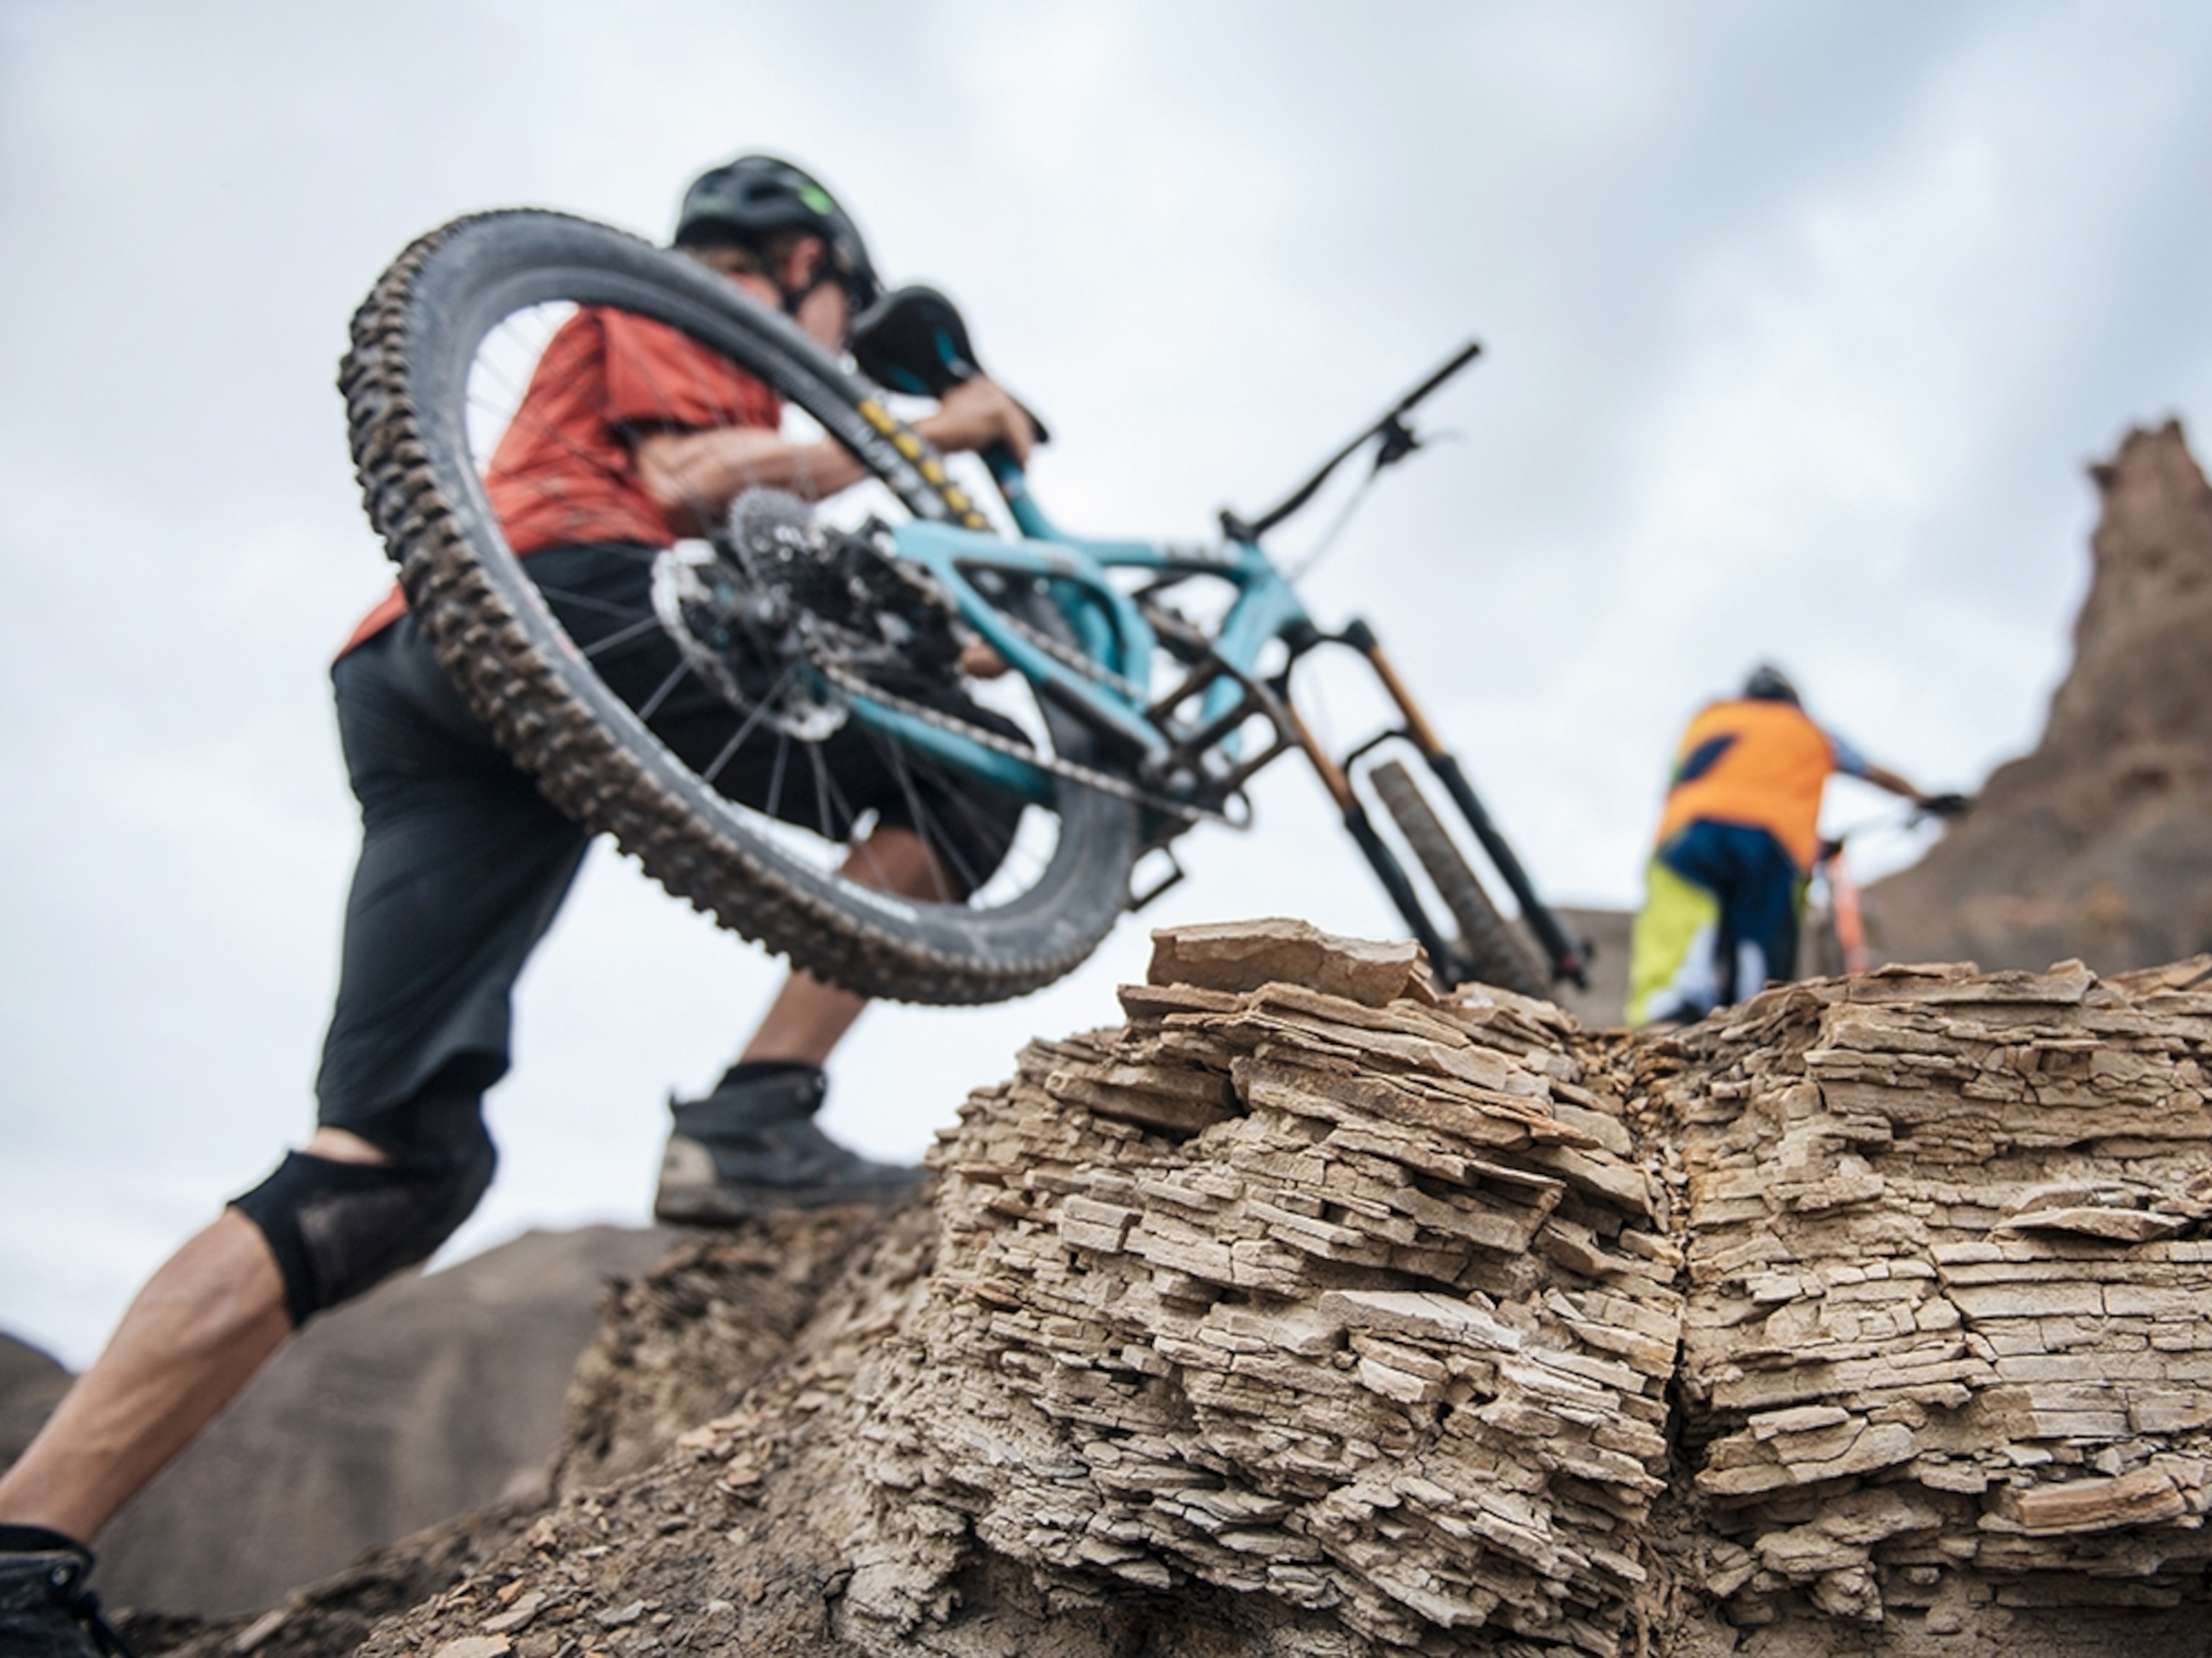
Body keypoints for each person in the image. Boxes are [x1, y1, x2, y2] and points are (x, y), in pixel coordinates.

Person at [0, 154, 1038, 1656]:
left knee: (385, 1167)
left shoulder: (660, 360)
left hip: (422, 671)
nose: (825, 334)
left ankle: (23, 1544)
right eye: (839, 303)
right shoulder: (709, 311)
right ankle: (754, 1108)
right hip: (571, 593)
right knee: (966, 785)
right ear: (802, 262)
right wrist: (924, 430)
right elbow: (685, 488)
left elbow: (754, 547)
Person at [1625, 663, 1955, 1027]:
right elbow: (1874, 773)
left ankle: (1665, 1016)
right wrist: (1925, 800)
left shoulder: (1709, 719)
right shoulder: (1809, 731)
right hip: (1775, 843)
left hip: (1689, 833)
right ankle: (1753, 1022)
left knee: (1680, 920)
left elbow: (1675, 780)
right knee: (1760, 935)